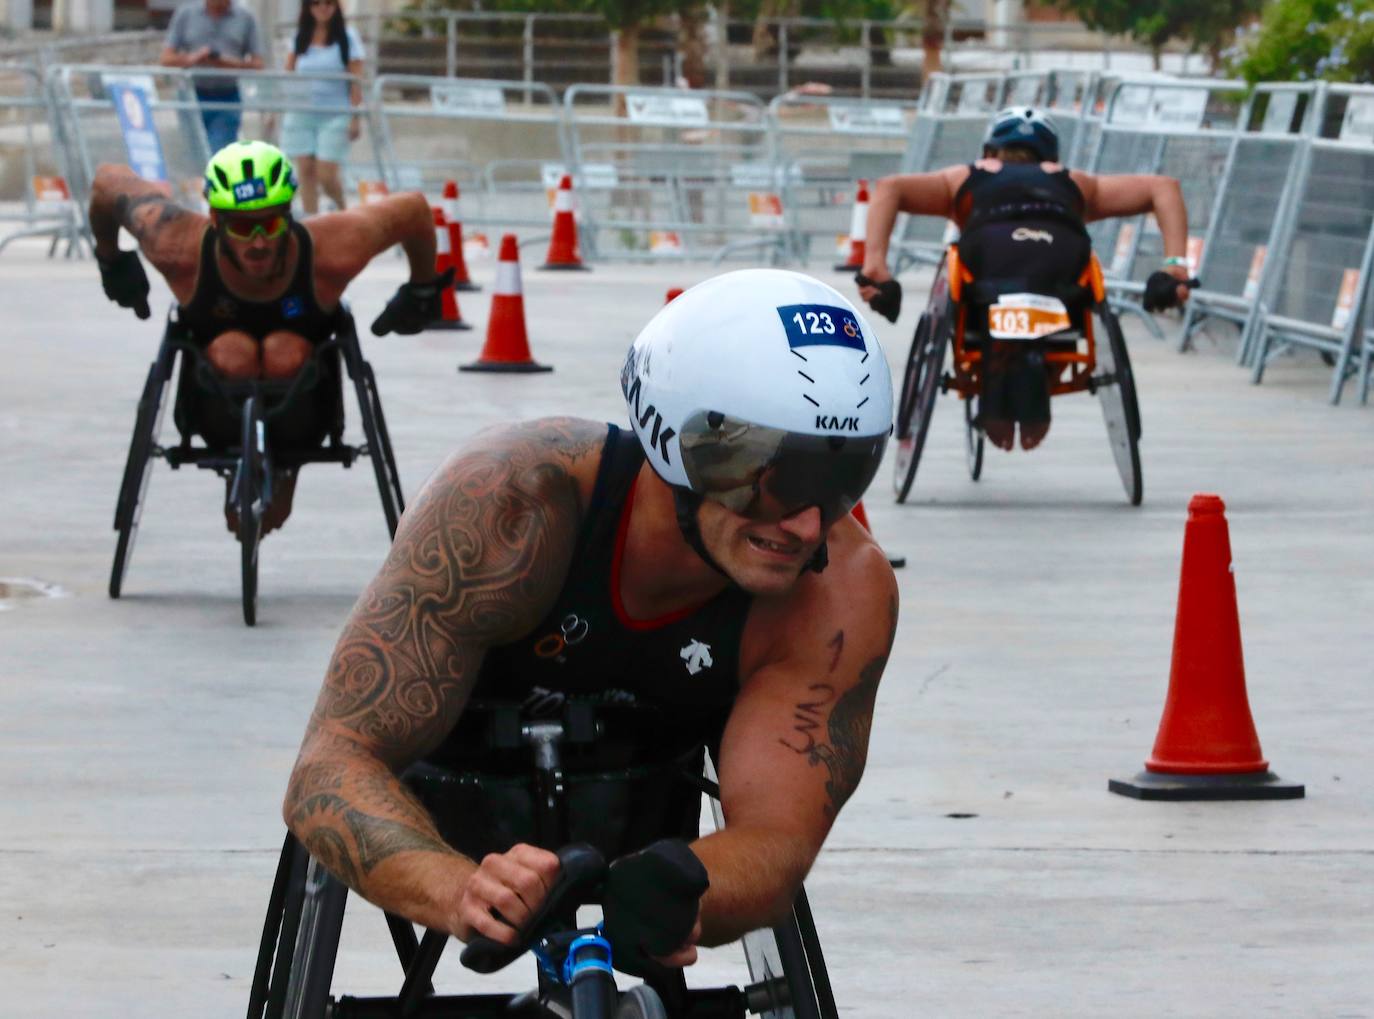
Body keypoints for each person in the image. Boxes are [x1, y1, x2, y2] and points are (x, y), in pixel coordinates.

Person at [278, 270, 899, 982]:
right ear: (677, 439)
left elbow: (775, 840)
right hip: (455, 786)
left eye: (844, 476)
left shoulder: (839, 590)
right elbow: (332, 763)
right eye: (777, 478)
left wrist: (687, 888)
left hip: (649, 806)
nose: (809, 523)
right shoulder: (507, 504)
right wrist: (458, 889)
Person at [89, 139, 452, 534]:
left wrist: (422, 288)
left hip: (305, 391)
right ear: (215, 218)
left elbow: (415, 210)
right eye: (243, 227)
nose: (259, 242)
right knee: (234, 352)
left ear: (289, 215)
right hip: (215, 392)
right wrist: (110, 259)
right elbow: (107, 182)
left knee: (284, 351)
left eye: (272, 224)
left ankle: (286, 469)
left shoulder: (335, 247)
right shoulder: (175, 243)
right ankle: (236, 473)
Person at [857, 106, 1194, 452]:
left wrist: (875, 265)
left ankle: (999, 401)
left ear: (989, 152)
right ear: (1050, 156)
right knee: (1056, 286)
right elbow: (1164, 187)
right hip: (1059, 260)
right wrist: (1175, 266)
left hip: (991, 260)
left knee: (986, 286)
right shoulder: (1072, 179)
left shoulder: (966, 176)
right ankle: (1041, 384)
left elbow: (889, 187)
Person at [278, 0, 366, 214]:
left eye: (328, 3)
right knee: (306, 171)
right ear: (309, 8)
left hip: (335, 113)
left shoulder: (348, 37)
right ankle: (312, 221)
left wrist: (355, 117)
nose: (322, 8)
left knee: (326, 173)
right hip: (301, 112)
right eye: (316, 3)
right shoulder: (300, 37)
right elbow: (287, 75)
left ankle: (343, 209)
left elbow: (356, 81)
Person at [160, 0, 265, 153]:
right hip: (191, 95)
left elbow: (258, 63)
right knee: (195, 154)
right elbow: (166, 58)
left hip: (227, 96)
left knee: (220, 152)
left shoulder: (246, 18)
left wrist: (227, 63)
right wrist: (193, 59)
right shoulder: (186, 14)